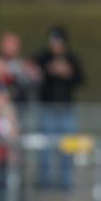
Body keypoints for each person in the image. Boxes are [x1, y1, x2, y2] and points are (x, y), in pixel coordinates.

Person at [35, 26, 83, 190]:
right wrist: (48, 71)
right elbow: (33, 74)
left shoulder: (71, 58)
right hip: (47, 108)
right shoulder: (43, 57)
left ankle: (66, 182)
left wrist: (67, 73)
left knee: (68, 147)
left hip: (66, 110)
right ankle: (45, 182)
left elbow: (81, 79)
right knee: (45, 147)